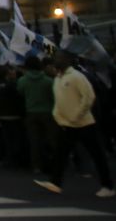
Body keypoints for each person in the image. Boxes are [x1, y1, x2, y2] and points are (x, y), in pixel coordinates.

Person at [34, 52, 114, 197]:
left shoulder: (77, 76)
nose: (57, 60)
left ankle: (107, 185)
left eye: (60, 59)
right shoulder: (58, 78)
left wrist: (77, 114)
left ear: (67, 61)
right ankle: (55, 183)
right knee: (61, 154)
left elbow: (89, 97)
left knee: (97, 155)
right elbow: (59, 100)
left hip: (84, 123)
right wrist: (57, 115)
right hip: (66, 124)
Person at [18, 55, 55, 174]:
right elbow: (54, 97)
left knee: (34, 141)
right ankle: (53, 163)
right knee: (50, 139)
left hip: (31, 112)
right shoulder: (48, 80)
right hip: (48, 112)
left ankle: (36, 166)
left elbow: (20, 93)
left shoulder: (23, 80)